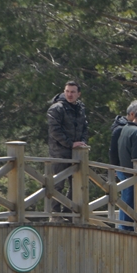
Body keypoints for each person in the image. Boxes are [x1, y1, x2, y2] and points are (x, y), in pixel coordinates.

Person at [46, 81, 89, 211]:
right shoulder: (56, 108)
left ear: (78, 94)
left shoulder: (80, 108)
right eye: (67, 91)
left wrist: (82, 142)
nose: (69, 94)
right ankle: (55, 213)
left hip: (76, 154)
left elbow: (85, 127)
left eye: (72, 92)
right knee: (57, 184)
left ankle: (68, 211)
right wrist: (71, 144)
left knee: (77, 184)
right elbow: (54, 131)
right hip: (59, 152)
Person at [109, 100, 137, 167]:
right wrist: (115, 168)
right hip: (123, 170)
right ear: (132, 114)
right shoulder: (120, 129)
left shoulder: (134, 128)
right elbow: (113, 151)